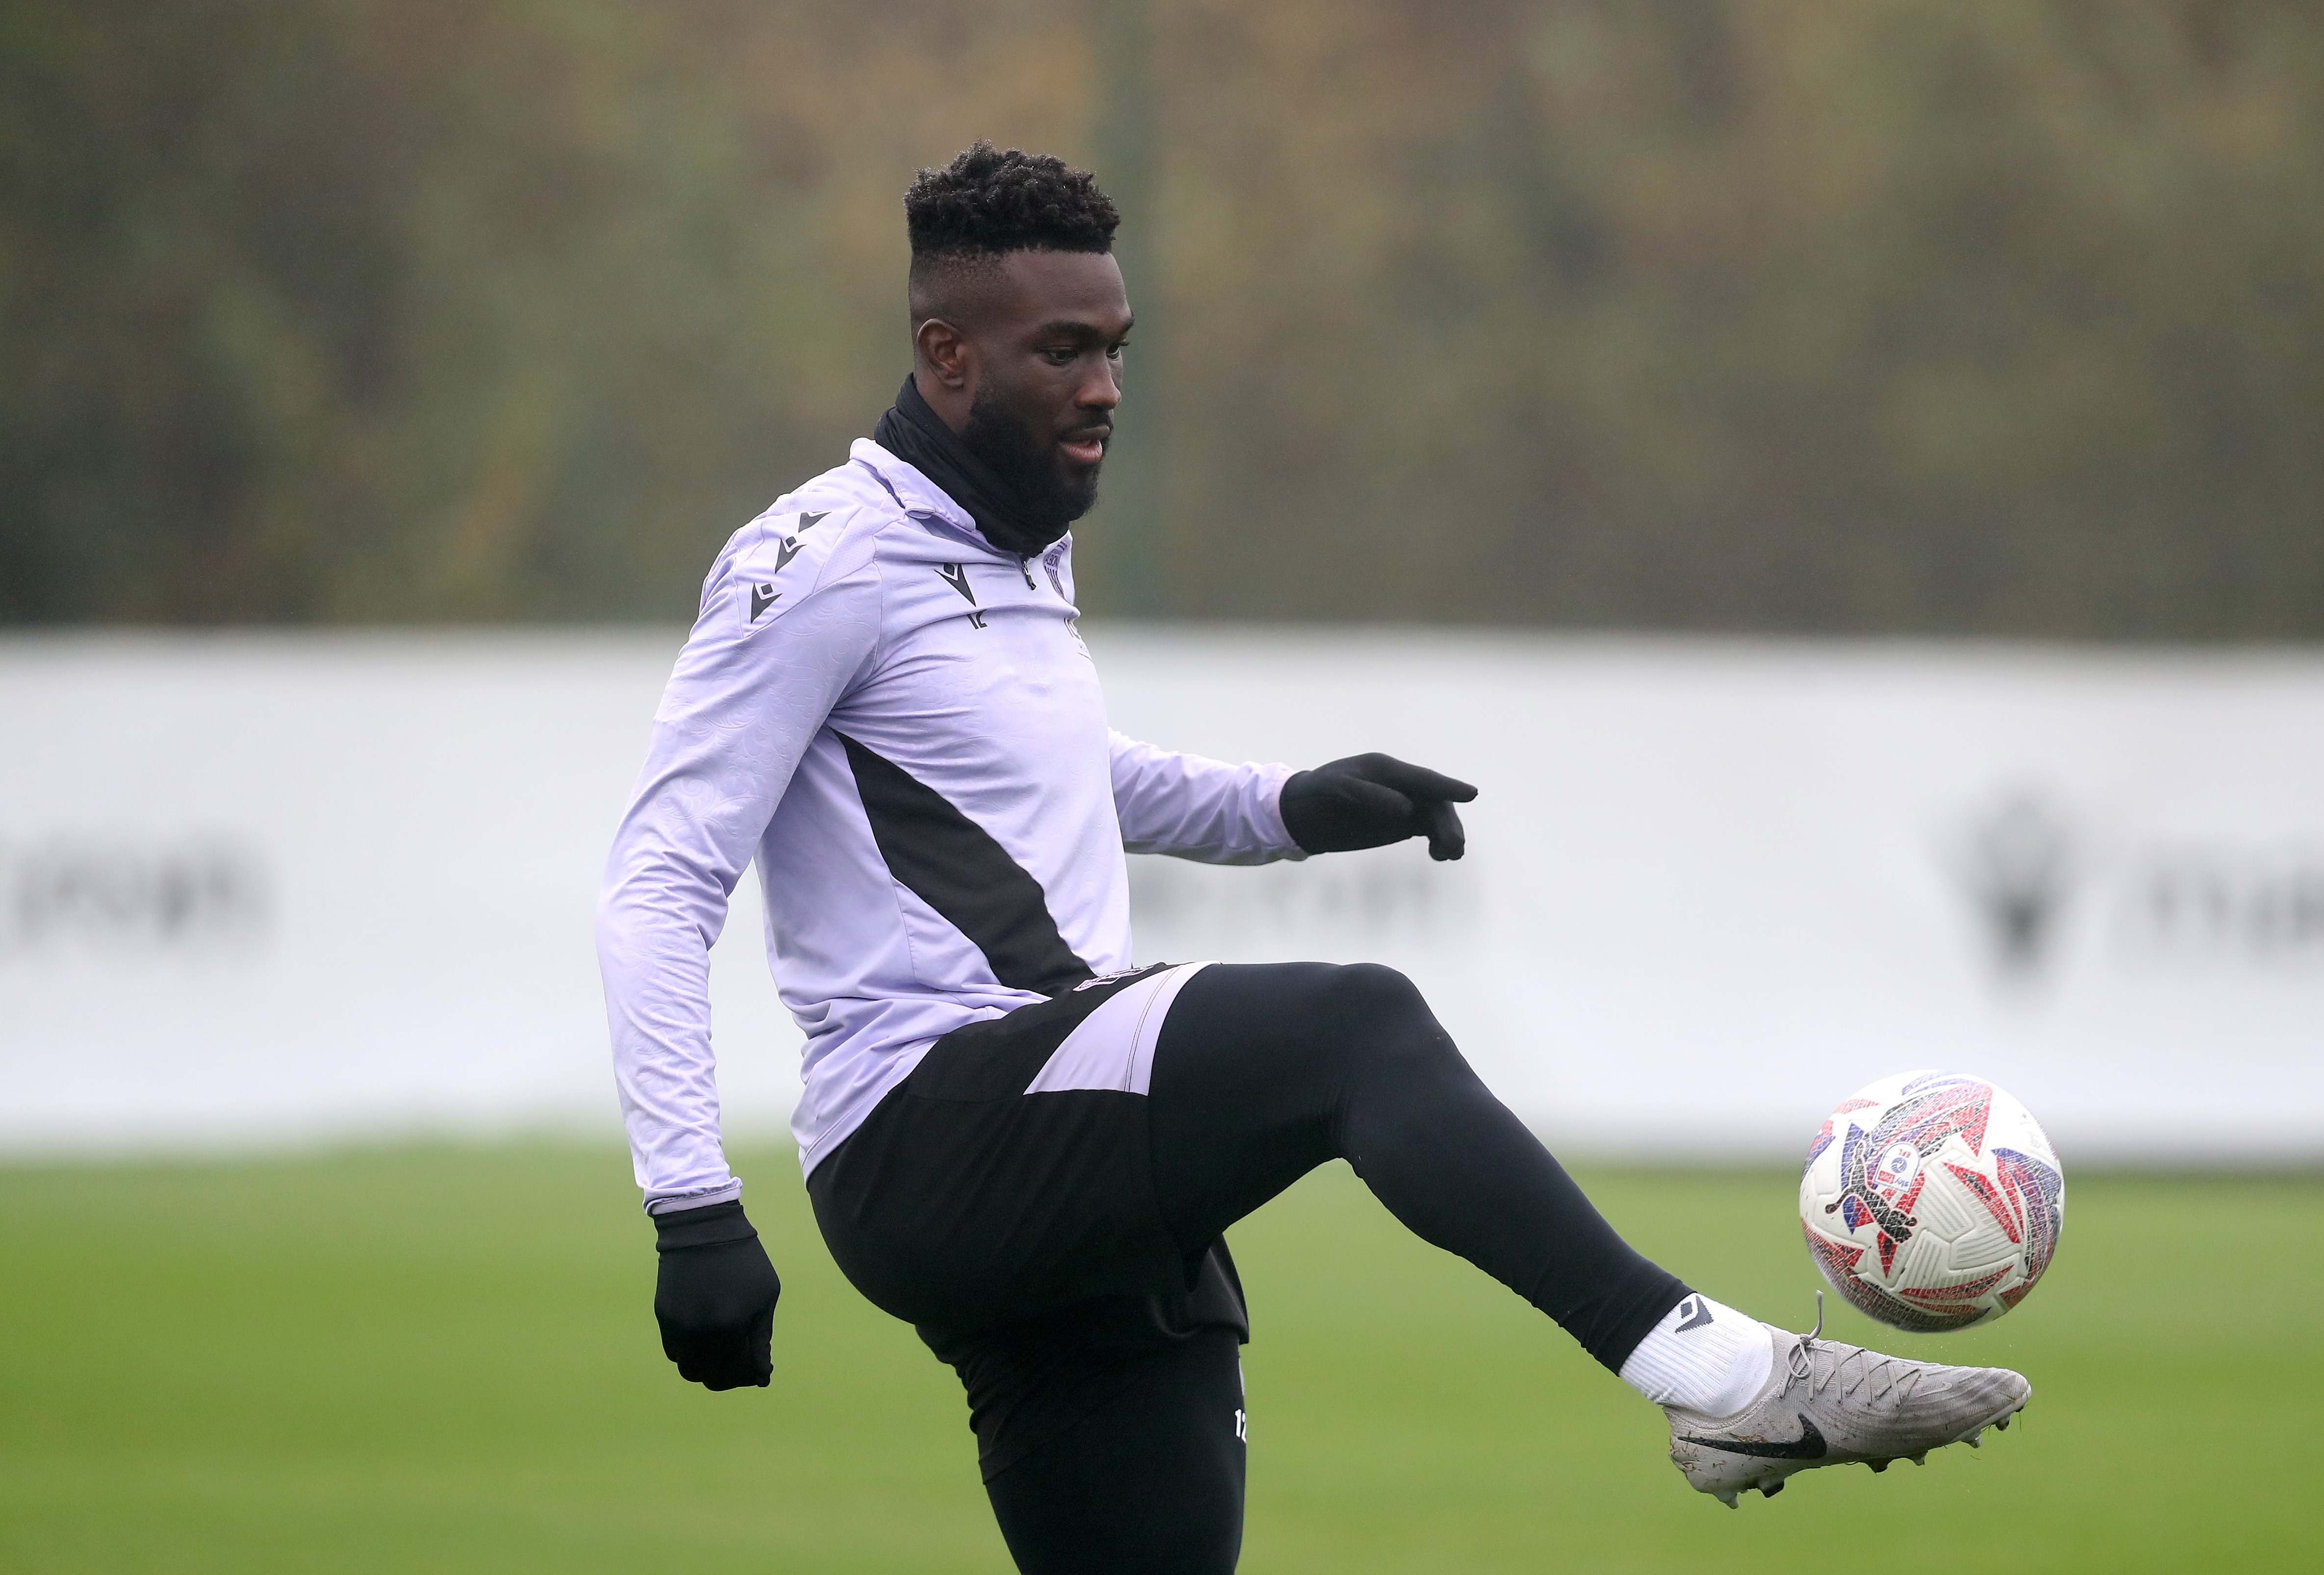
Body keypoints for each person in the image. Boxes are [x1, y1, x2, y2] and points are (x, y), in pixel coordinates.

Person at [596, 141, 2029, 1575]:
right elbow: (664, 872)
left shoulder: (1018, 533)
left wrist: (1287, 806)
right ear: (945, 354)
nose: (1103, 388)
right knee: (1356, 1026)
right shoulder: (817, 559)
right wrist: (690, 1202)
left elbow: (1043, 782)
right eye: (1062, 352)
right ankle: (1724, 1384)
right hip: (930, 1125)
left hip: (1063, 1152)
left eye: (1114, 348)